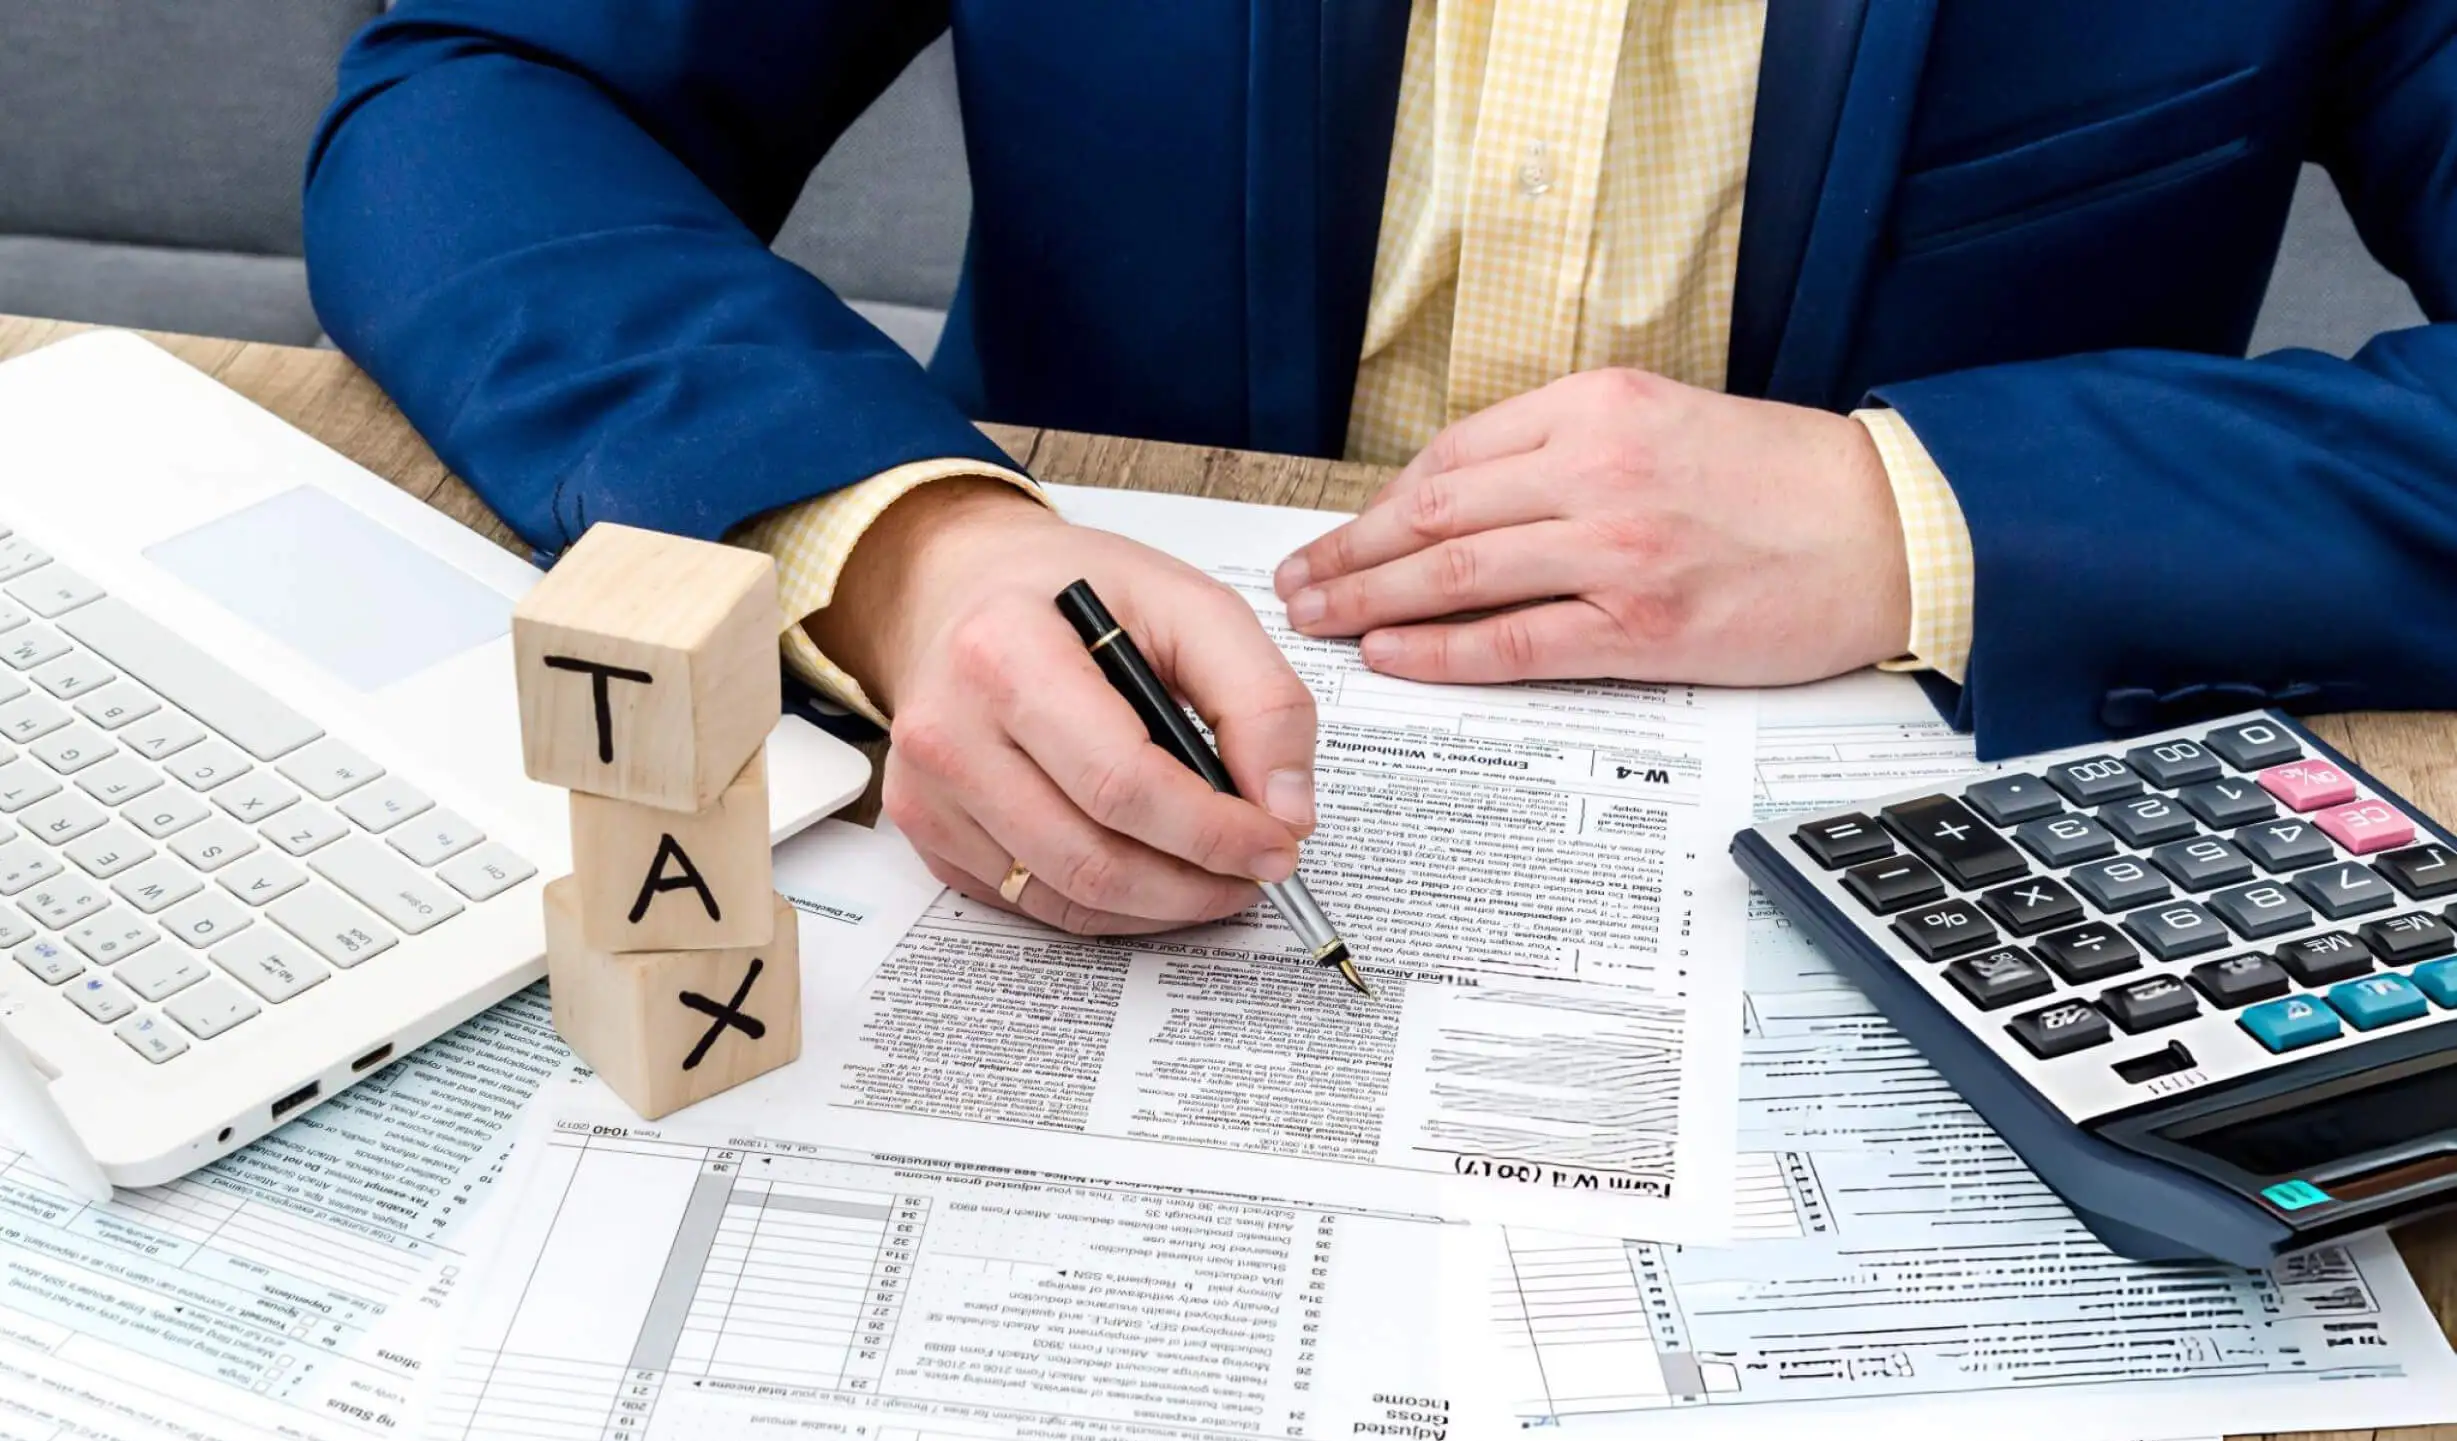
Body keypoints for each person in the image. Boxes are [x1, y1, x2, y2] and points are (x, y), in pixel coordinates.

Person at [305, 1, 2457, 940]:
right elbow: (484, 97)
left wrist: (1925, 509)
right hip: (1023, 768)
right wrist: (904, 551)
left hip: (1949, 842)